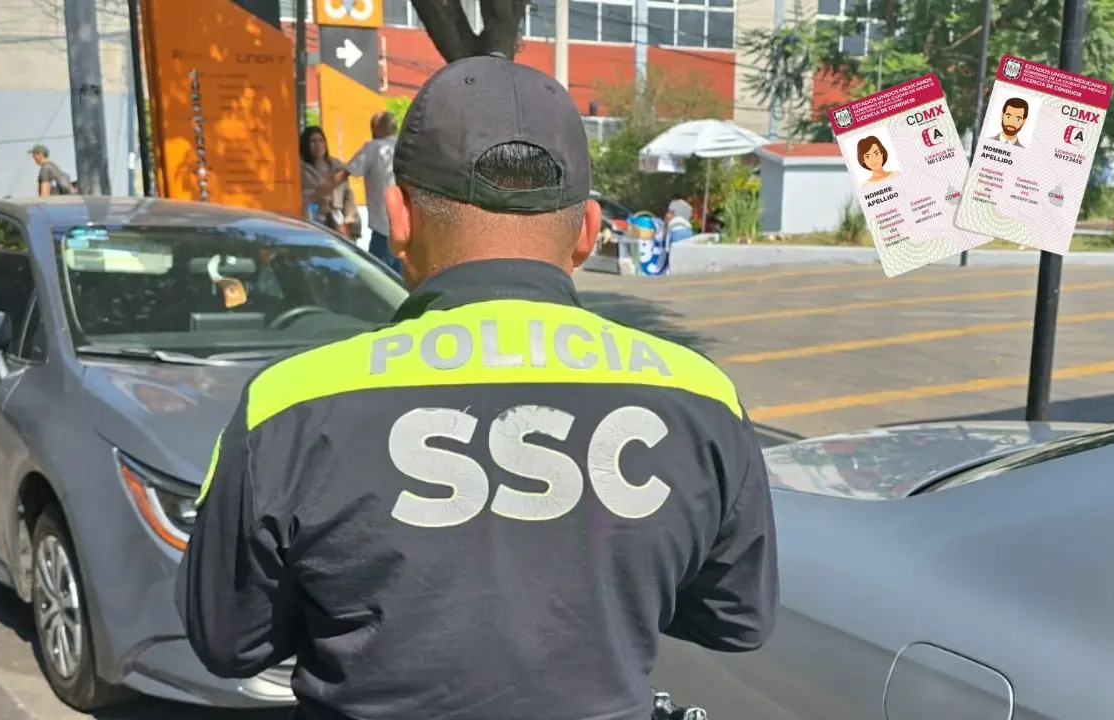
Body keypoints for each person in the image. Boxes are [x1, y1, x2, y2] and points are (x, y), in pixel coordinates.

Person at [177, 52, 778, 720]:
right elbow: (736, 620)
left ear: (398, 214)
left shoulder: (289, 404)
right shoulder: (700, 395)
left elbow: (226, 639)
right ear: (585, 230)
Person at [332, 111, 398, 271]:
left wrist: (318, 192)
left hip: (383, 233)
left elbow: (344, 174)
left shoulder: (373, 148)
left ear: (377, 129)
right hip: (408, 233)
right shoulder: (406, 147)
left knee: (380, 282)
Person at [299, 126, 358, 234]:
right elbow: (302, 197)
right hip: (313, 220)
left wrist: (350, 215)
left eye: (321, 140)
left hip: (337, 221)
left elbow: (348, 194)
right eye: (313, 141)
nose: (318, 145)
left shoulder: (337, 166)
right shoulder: (301, 169)